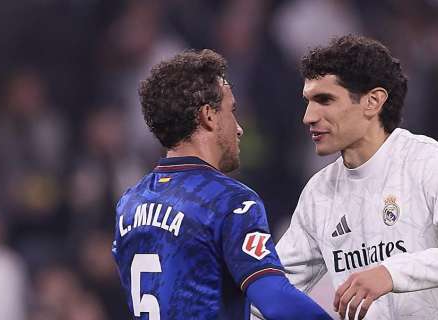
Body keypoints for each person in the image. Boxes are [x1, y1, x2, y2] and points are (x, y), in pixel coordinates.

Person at [272, 35, 438, 320]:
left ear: (373, 101)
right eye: (308, 101)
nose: (309, 116)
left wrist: (391, 272)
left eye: (325, 100)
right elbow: (273, 291)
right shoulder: (318, 193)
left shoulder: (428, 162)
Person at [111, 49, 331, 320]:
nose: (238, 128)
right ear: (209, 116)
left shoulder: (129, 204)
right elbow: (274, 299)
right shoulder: (229, 201)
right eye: (232, 111)